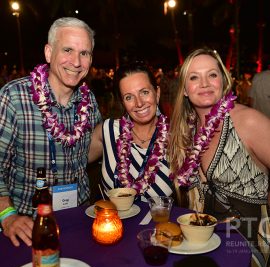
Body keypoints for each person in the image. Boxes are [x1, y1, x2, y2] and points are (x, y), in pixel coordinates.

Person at [0, 17, 102, 247]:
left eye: (84, 53)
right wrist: (7, 216)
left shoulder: (89, 101)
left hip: (80, 221)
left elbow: (86, 153)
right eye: (68, 50)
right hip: (27, 228)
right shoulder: (14, 97)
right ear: (48, 52)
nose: (76, 62)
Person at [168, 48, 270, 267]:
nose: (204, 83)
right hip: (205, 243)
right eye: (194, 77)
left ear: (223, 81)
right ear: (185, 89)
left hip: (246, 248)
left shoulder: (247, 122)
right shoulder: (188, 131)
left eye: (212, 74)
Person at [89, 61, 173, 201]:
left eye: (144, 92)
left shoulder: (176, 138)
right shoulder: (108, 131)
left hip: (157, 222)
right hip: (111, 222)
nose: (139, 103)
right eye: (129, 97)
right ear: (122, 102)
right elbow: (72, 162)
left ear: (157, 93)